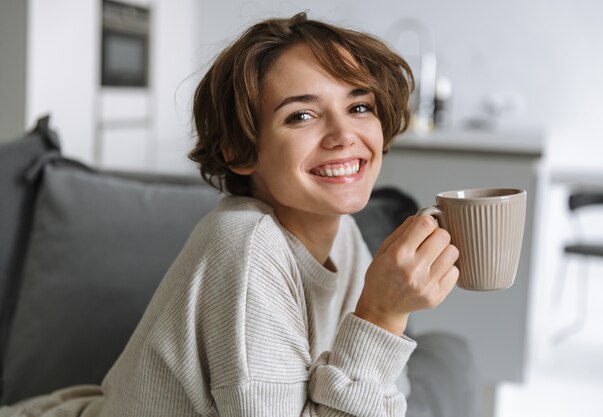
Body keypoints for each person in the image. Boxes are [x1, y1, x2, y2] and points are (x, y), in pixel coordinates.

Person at [0, 12, 459, 417]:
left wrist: (383, 317)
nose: (344, 134)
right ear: (240, 150)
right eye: (301, 116)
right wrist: (381, 315)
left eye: (359, 106)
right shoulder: (246, 246)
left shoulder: (348, 241)